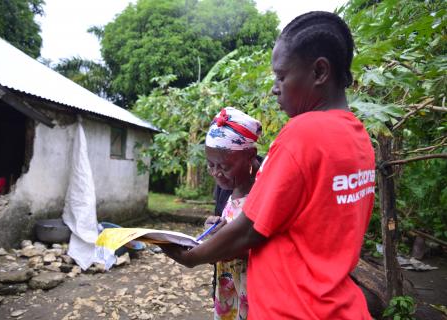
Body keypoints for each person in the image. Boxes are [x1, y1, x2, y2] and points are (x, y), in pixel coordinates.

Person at [161, 11, 375, 319]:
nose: (275, 87)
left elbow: (250, 230)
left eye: (281, 76)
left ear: (319, 72)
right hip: (335, 305)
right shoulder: (358, 138)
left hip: (292, 307)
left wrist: (192, 256)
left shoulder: (303, 134)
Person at [202, 106, 262, 320]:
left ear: (250, 155)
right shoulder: (224, 186)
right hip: (228, 288)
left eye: (224, 166)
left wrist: (228, 242)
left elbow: (276, 246)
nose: (216, 173)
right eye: (210, 165)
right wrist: (212, 233)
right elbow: (222, 228)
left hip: (259, 293)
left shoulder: (269, 186)